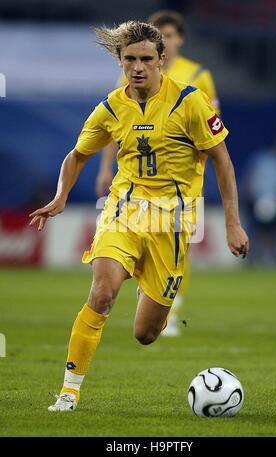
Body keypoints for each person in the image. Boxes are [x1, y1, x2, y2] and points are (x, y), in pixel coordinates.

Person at [29, 21, 249, 412]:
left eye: (146, 58)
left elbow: (223, 160)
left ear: (161, 59)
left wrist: (232, 222)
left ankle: (148, 286)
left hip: (173, 222)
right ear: (120, 61)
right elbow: (77, 154)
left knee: (146, 334)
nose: (138, 67)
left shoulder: (190, 102)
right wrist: (61, 196)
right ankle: (68, 392)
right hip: (123, 212)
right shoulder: (112, 106)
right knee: (102, 293)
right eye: (130, 59)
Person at [96, 10, 220, 336]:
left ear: (176, 41)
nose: (137, 64)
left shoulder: (198, 76)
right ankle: (155, 294)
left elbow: (211, 127)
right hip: (138, 180)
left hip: (184, 177)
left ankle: (171, 307)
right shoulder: (134, 73)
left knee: (180, 243)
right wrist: (106, 167)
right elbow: (116, 126)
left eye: (173, 34)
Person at [243, 132, 276, 266]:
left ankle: (273, 255)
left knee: (274, 228)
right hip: (256, 200)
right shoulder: (263, 159)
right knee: (259, 227)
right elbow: (249, 179)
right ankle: (257, 256)